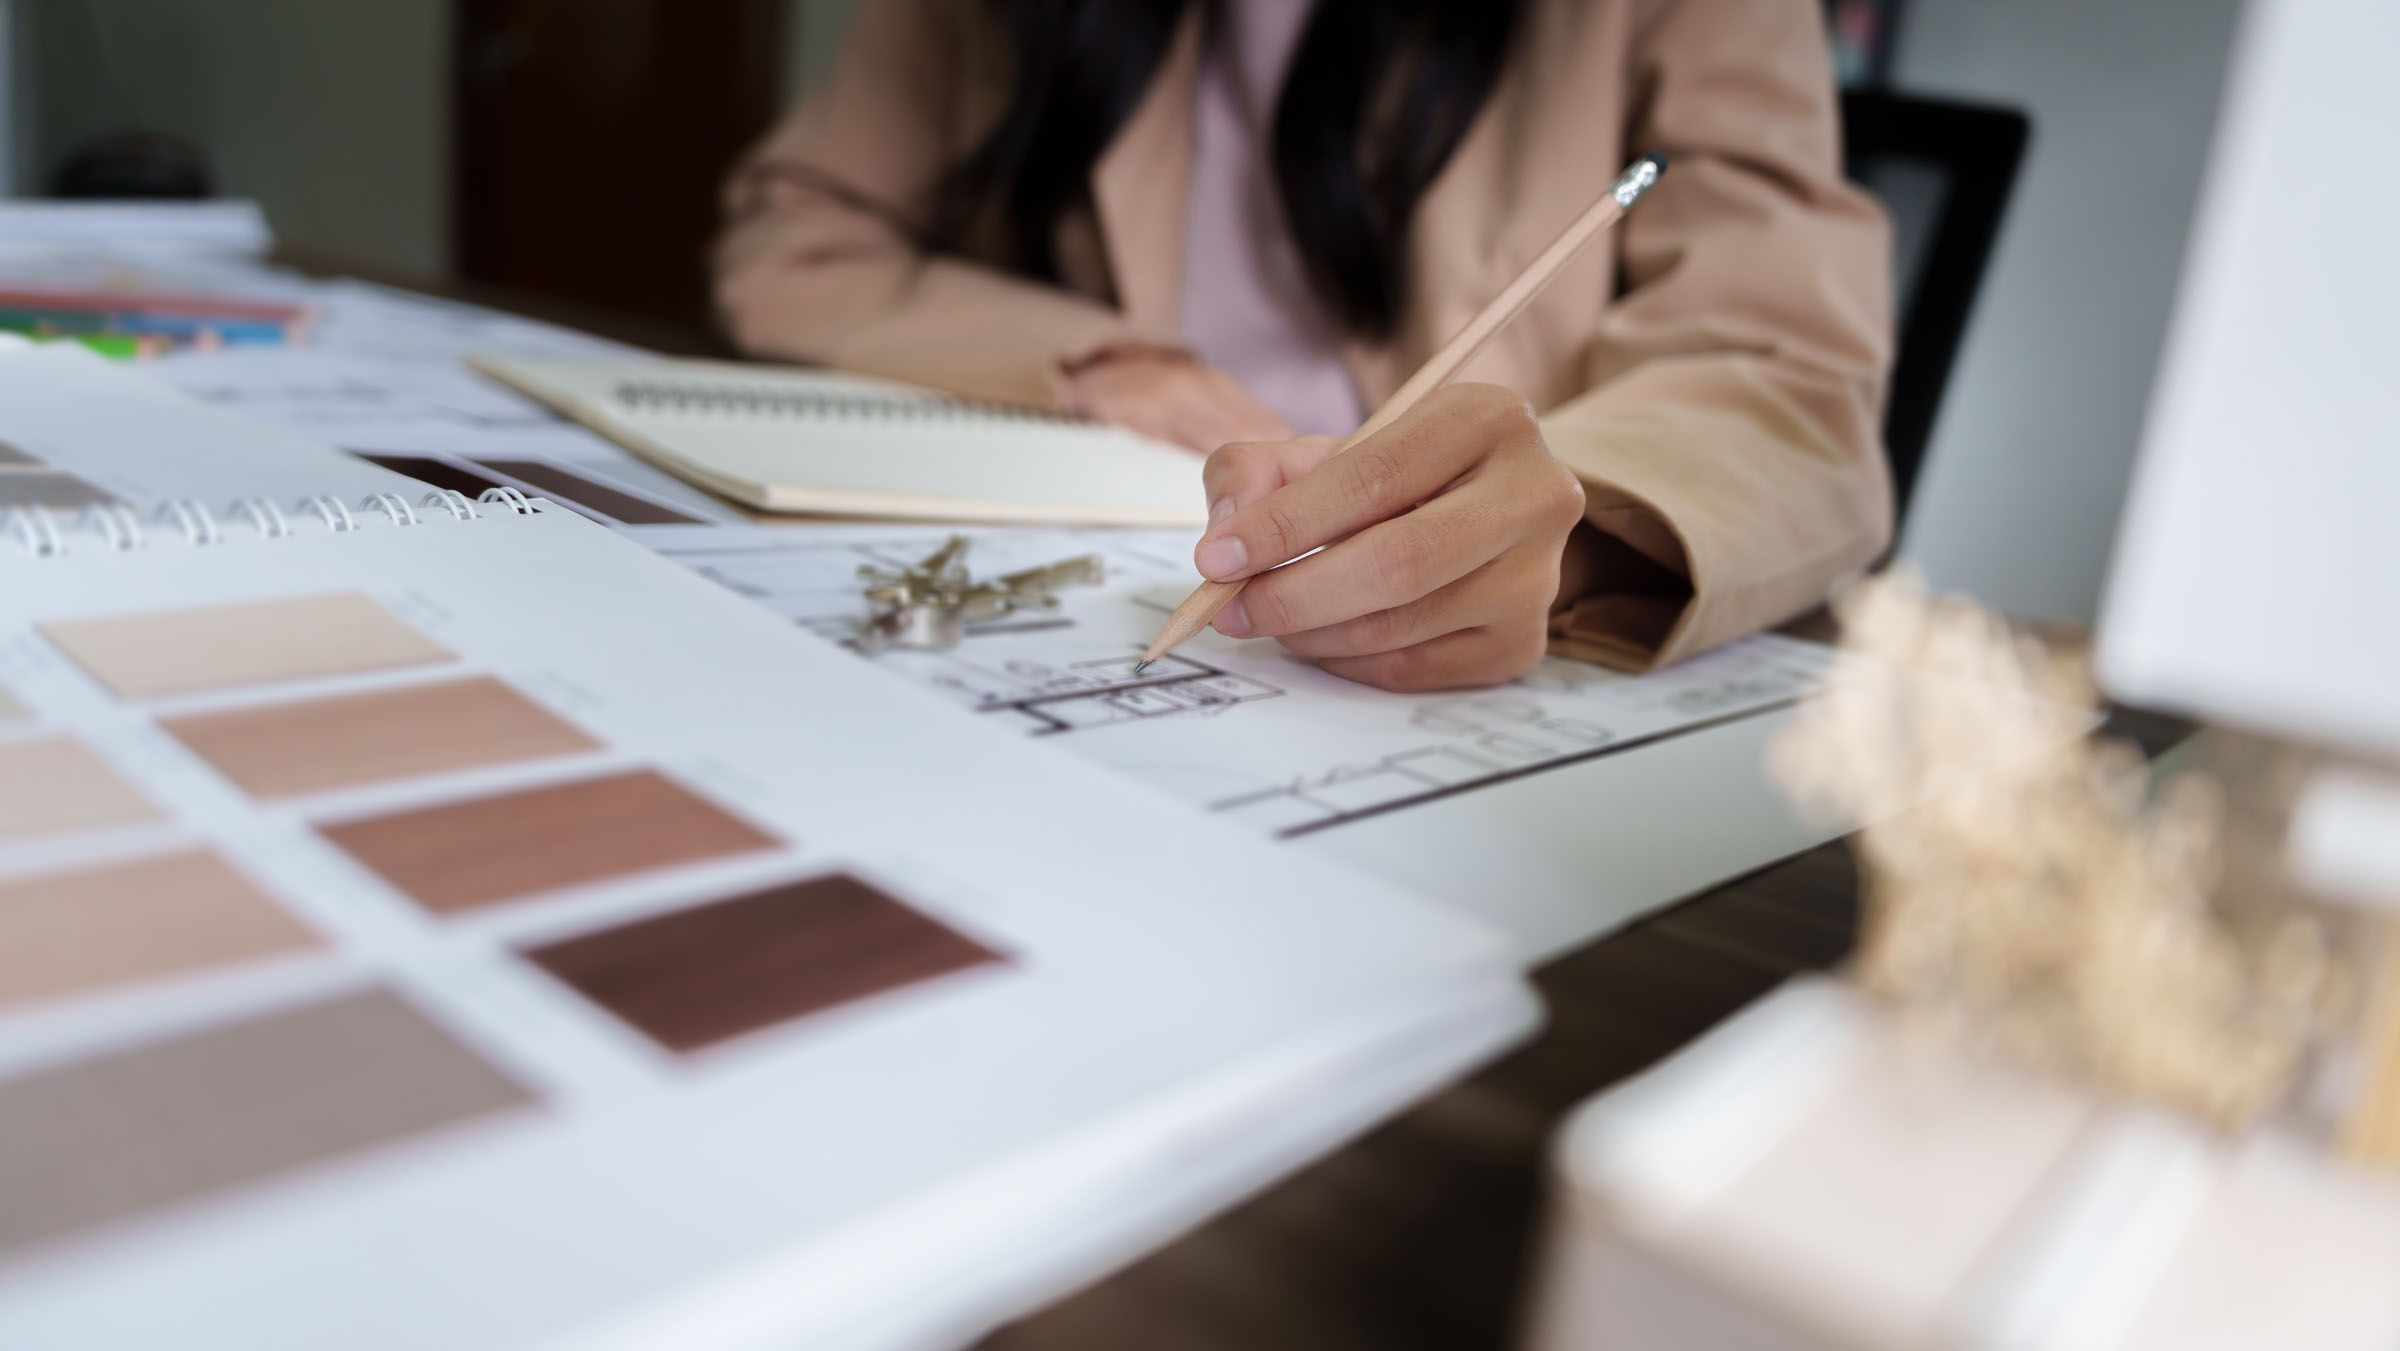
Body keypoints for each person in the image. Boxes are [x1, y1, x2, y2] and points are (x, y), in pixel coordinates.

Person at [715, 0, 1891, 690]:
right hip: (1092, 527)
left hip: (1438, 672)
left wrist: (1562, 531)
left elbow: (1790, 376)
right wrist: (1097, 357)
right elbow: (795, 240)